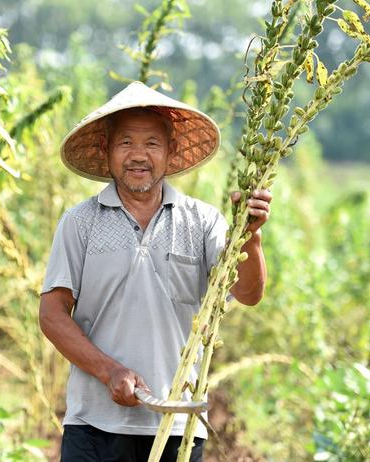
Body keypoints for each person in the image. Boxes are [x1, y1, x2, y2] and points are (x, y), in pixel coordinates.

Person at [39, 81, 272, 462]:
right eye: (125, 142)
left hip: (178, 423)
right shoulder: (79, 222)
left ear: (170, 151)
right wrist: (108, 371)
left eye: (151, 143)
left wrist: (251, 237)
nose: (138, 155)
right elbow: (51, 316)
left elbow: (248, 293)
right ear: (106, 151)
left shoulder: (203, 221)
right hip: (93, 425)